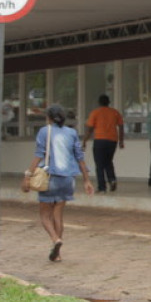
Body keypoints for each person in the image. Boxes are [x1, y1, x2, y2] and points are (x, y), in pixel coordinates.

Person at [21, 104, 94, 262]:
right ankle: (58, 254)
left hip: (50, 178)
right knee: (58, 215)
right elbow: (80, 157)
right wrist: (87, 180)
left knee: (45, 216)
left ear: (48, 117)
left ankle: (55, 240)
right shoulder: (72, 133)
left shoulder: (44, 131)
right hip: (68, 180)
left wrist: (28, 175)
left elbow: (38, 155)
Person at [82, 94, 124, 193]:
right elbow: (121, 127)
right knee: (108, 161)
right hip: (112, 140)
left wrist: (84, 141)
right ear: (108, 102)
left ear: (99, 103)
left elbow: (90, 129)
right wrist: (121, 141)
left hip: (100, 140)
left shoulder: (95, 113)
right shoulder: (115, 112)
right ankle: (112, 179)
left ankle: (102, 187)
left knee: (99, 164)